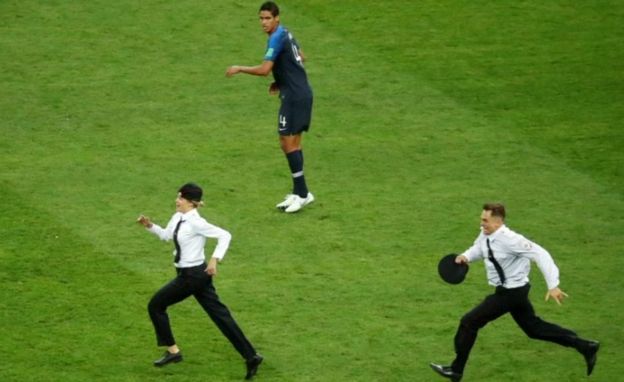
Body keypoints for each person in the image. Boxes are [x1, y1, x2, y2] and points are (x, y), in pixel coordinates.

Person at [430, 203, 600, 381]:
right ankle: (585, 346)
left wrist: (553, 284)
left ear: (497, 222)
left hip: (512, 293)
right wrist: (465, 256)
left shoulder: (511, 239)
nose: (481, 223)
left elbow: (540, 253)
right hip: (509, 291)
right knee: (534, 329)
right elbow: (480, 248)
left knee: (469, 322)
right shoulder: (486, 233)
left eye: (485, 220)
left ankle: (456, 370)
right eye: (481, 219)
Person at [137, 183, 263, 380]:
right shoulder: (178, 216)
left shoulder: (197, 222)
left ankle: (173, 352)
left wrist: (214, 259)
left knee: (156, 305)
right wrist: (150, 226)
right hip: (197, 275)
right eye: (177, 196)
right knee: (221, 316)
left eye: (180, 198)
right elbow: (166, 236)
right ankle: (251, 356)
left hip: (192, 276)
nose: (176, 200)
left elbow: (225, 235)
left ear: (191, 202)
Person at [226, 1, 315, 213]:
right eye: (261, 18)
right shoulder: (286, 33)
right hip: (299, 92)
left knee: (287, 142)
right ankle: (300, 192)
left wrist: (239, 68)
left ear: (277, 18)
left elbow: (265, 69)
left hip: (294, 96)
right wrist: (282, 80)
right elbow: (300, 56)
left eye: (267, 18)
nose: (264, 22)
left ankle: (302, 194)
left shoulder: (276, 38)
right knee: (291, 143)